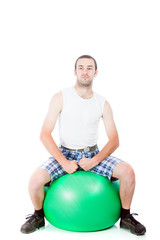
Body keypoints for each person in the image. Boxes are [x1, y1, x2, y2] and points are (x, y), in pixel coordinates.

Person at [20, 55, 146, 235]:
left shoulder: (102, 103)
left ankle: (125, 217)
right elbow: (44, 134)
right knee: (34, 181)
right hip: (65, 154)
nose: (85, 72)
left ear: (95, 73)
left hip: (93, 154)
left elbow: (114, 140)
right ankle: (38, 216)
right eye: (81, 68)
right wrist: (63, 162)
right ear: (75, 71)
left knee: (128, 172)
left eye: (89, 68)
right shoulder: (60, 97)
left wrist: (95, 161)